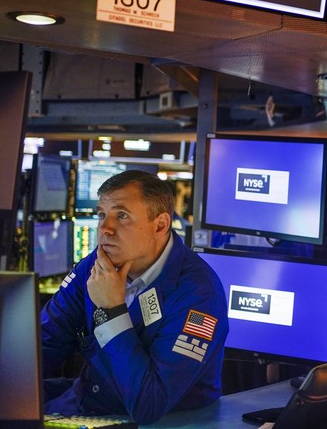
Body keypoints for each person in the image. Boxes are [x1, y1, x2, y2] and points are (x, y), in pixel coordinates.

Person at [41, 170, 229, 424]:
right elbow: (43, 343)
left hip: (146, 420)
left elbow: (149, 405)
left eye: (122, 216)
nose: (105, 229)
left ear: (160, 224)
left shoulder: (198, 294)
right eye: (101, 215)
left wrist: (110, 311)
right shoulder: (95, 266)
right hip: (84, 404)